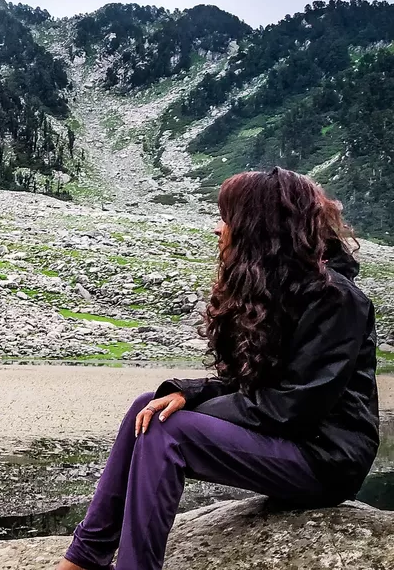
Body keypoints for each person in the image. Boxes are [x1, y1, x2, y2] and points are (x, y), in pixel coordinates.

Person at [59, 167, 380, 570]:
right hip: (290, 442)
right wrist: (187, 392)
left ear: (259, 228)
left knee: (166, 426)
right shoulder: (274, 287)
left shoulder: (337, 299)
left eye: (227, 219)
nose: (217, 229)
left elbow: (292, 407)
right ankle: (85, 558)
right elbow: (242, 386)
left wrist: (189, 408)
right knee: (150, 404)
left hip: (326, 461)